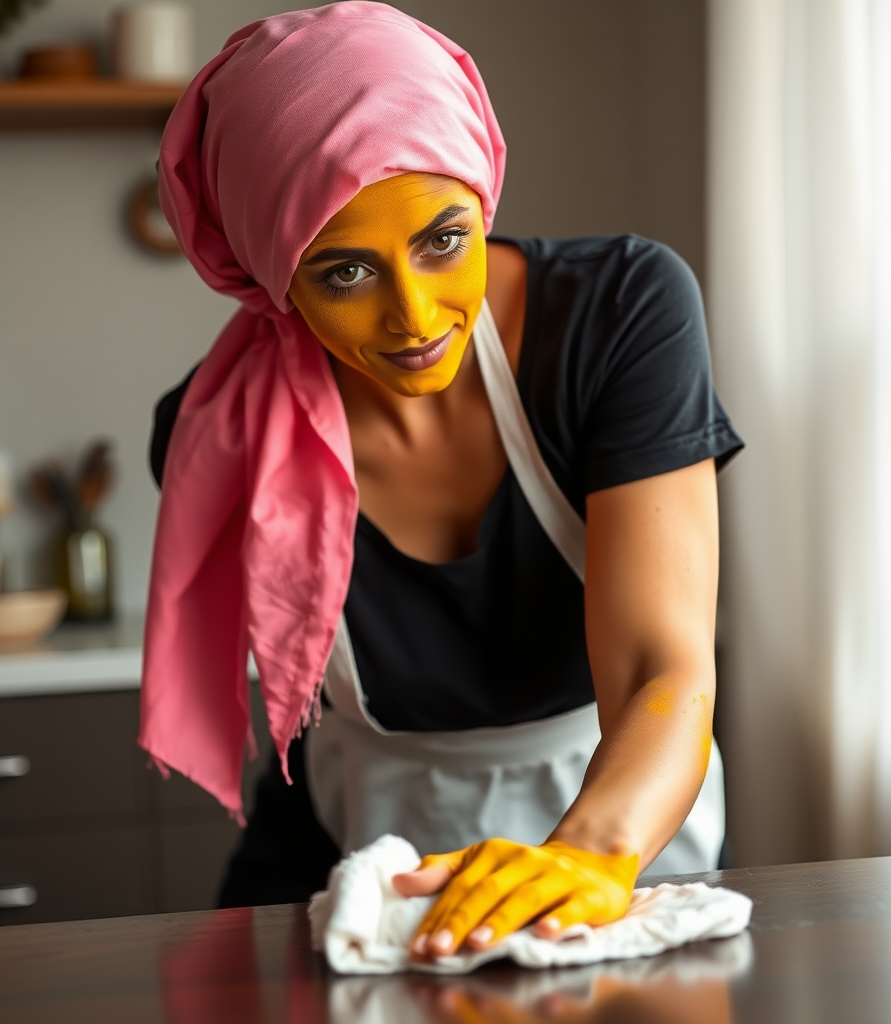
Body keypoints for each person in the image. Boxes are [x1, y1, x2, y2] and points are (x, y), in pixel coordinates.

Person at [142, 2, 742, 962]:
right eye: (342, 273)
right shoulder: (216, 436)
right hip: (350, 878)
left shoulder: (620, 315)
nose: (414, 314)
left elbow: (660, 670)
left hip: (622, 844)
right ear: (267, 270)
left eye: (443, 240)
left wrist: (590, 856)